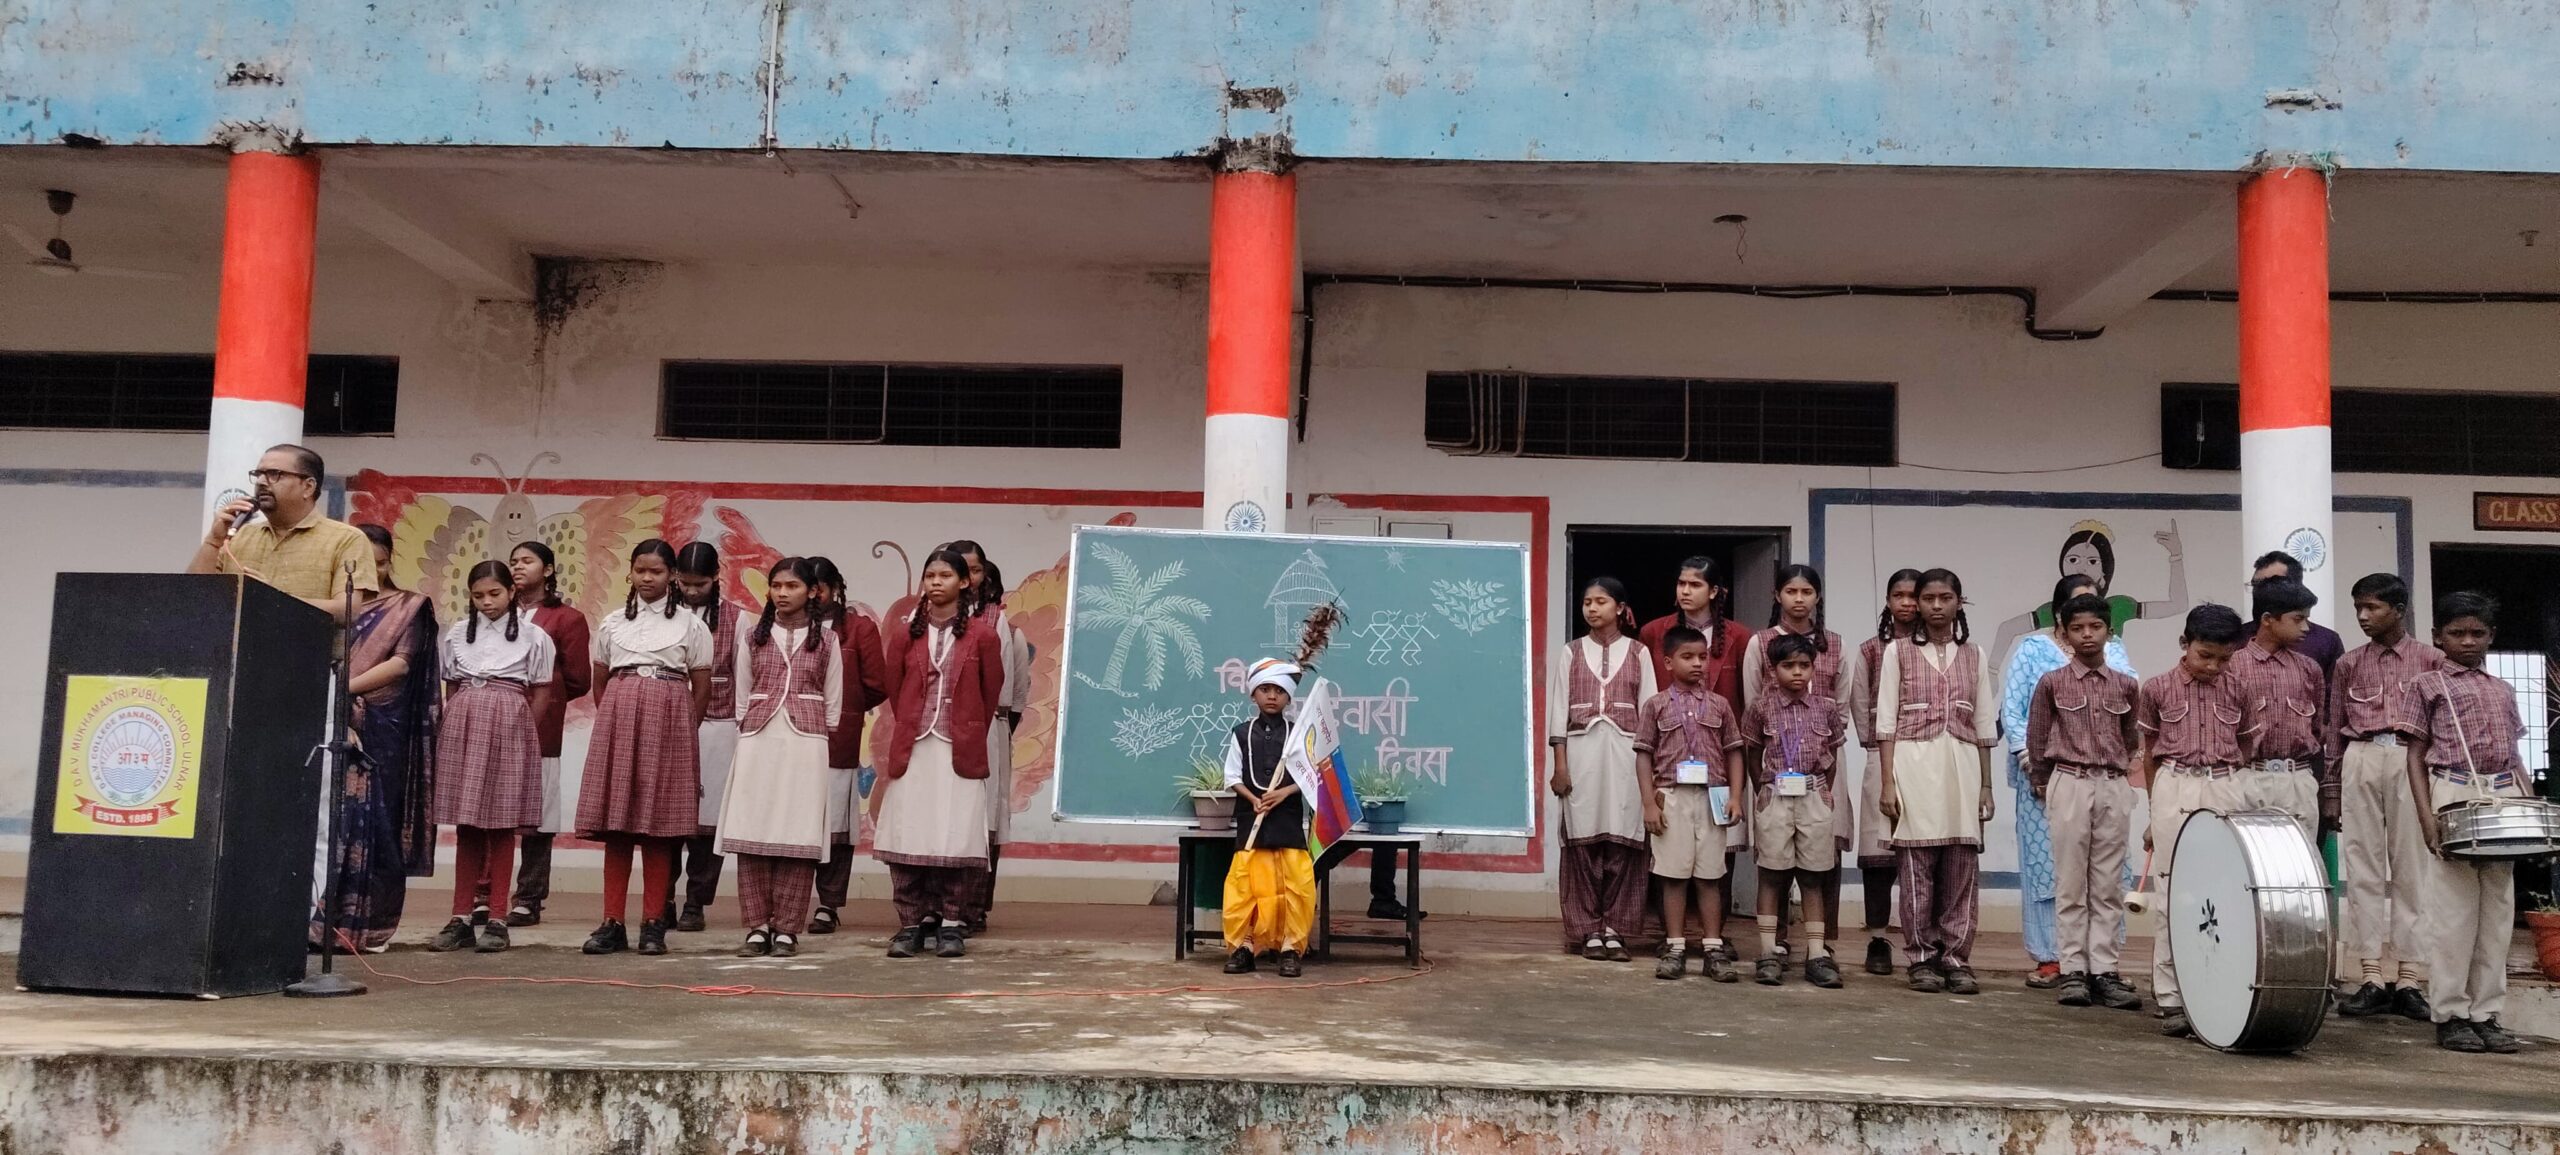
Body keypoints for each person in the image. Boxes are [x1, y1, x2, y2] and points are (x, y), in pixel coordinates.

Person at [576, 539, 716, 957]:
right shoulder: (613, 622)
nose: (647, 578)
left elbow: (701, 687)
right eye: (640, 570)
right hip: (620, 723)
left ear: (672, 575)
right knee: (617, 827)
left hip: (669, 724)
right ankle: (612, 922)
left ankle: (654, 923)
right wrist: (616, 722)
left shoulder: (691, 626)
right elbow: (601, 680)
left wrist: (682, 732)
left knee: (659, 828)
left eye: (656, 571)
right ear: (631, 573)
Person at [1997, 573, 2138, 989]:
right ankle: (2054, 959)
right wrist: (2035, 766)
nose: (2087, 626)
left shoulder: (2116, 654)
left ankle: (2103, 965)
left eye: (2096, 615)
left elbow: (2130, 723)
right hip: (2049, 777)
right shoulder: (2034, 651)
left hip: (2106, 779)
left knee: (2106, 876)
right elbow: (2016, 713)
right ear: (2061, 615)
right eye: (2077, 614)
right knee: (2054, 873)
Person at [2403, 591, 2527, 1054]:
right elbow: (2414, 755)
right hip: (2453, 792)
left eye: (2478, 633)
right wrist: (2426, 816)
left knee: (2497, 912)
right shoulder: (2427, 685)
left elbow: (2514, 756)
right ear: (2438, 637)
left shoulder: (2503, 689)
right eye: (2457, 633)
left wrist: (2528, 809)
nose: (2468, 641)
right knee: (2454, 913)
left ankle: (2486, 1013)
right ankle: (2451, 1013)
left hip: (2503, 794)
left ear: (2492, 636)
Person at [309, 524, 439, 954]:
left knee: (379, 823)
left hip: (383, 727)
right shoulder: (331, 608)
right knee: (325, 821)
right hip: (324, 719)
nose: (373, 572)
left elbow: (402, 664)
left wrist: (342, 690)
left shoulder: (408, 607)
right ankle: (314, 921)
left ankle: (370, 928)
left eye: (379, 564)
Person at [873, 548, 1006, 960]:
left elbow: (990, 691)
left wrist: (965, 726)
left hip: (958, 750)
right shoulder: (906, 633)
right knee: (910, 831)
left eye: (945, 575)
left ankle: (951, 923)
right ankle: (911, 923)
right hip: (914, 747)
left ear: (965, 582)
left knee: (956, 834)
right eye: (930, 575)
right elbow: (894, 686)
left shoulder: (983, 635)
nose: (935, 582)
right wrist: (915, 721)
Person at [1875, 568, 1998, 995]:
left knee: (1961, 866)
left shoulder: (1975, 655)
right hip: (1913, 767)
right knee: (1916, 868)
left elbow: (1984, 724)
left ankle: (1956, 958)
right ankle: (1921, 957)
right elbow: (1885, 722)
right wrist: (1888, 784)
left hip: (1963, 769)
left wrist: (1987, 786)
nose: (1936, 606)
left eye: (1945, 598)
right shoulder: (1898, 652)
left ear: (1959, 602)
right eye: (1928, 598)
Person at [2137, 603, 2254, 1040]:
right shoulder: (2157, 688)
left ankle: (2214, 988)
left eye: (2224, 658)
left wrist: (2227, 781)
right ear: (2184, 643)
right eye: (2205, 655)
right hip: (2175, 785)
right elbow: (2150, 754)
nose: (2213, 666)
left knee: (2224, 889)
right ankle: (2171, 995)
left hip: (2224, 784)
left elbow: (2246, 745)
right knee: (2172, 890)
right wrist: (2156, 809)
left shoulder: (2239, 688)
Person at [428, 561, 556, 955]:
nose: (487, 602)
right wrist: (456, 722)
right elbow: (452, 686)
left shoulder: (533, 637)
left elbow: (542, 691)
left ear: (512, 592)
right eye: (478, 595)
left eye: (495, 593)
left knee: (502, 825)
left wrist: (522, 731)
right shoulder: (457, 634)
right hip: (464, 724)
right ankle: (461, 917)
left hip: (510, 725)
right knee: (466, 824)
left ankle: (498, 917)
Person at [718, 557, 842, 959]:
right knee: (754, 829)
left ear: (812, 592)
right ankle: (757, 926)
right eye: (776, 586)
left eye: (792, 586)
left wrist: (813, 728)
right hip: (758, 739)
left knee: (797, 833)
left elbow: (833, 701)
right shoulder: (753, 637)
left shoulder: (828, 640)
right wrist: (752, 725)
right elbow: (742, 696)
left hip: (806, 743)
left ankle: (787, 928)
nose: (783, 593)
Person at [2331, 572, 2440, 1020]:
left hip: (2412, 759)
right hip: (2361, 755)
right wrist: (2332, 791)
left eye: (2372, 607)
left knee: (2413, 867)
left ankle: (2410, 978)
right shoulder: (2348, 664)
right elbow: (2332, 729)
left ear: (2399, 610)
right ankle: (2371, 975)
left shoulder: (2432, 660)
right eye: (2358, 607)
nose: (2363, 616)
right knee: (2363, 866)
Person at [1740, 564, 1847, 962]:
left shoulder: (1830, 678)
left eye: (1807, 591)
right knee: (1771, 871)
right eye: (1791, 591)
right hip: (1774, 787)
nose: (1799, 598)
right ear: (1777, 595)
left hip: (1815, 784)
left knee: (1817, 872)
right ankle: (1771, 948)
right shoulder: (1761, 654)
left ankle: (1818, 951)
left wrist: (1823, 791)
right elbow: (1752, 743)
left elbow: (1836, 739)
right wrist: (1763, 788)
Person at [1547, 576, 1656, 961]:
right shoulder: (1571, 652)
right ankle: (1588, 930)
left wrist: (1650, 776)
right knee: (1583, 841)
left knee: (1624, 841)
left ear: (1620, 609)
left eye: (1601, 602)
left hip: (1628, 758)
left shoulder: (1639, 653)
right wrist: (1560, 767)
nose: (1592, 608)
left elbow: (1650, 713)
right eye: (1587, 602)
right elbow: (1559, 712)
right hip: (1581, 757)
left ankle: (1616, 930)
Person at [1637, 626, 1747, 982]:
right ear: (1668, 662)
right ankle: (1675, 946)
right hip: (1671, 797)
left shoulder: (1720, 705)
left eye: (1703, 657)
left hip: (1712, 797)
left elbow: (1734, 751)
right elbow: (1643, 755)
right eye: (1688, 657)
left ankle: (1713, 948)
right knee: (1673, 876)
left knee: (1710, 875)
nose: (1698, 663)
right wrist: (1649, 804)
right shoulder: (1655, 705)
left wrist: (1735, 796)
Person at [500, 541, 592, 929]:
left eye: (528, 561)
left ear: (549, 570)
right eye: (513, 561)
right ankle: (484, 895)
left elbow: (579, 680)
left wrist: (544, 697)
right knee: (491, 808)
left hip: (541, 724)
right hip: (494, 721)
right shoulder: (495, 614)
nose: (518, 567)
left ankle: (528, 898)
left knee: (539, 812)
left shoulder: (566, 618)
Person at [944, 541, 1028, 936]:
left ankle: (971, 908)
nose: (967, 577)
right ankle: (935, 909)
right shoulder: (923, 621)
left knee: (982, 817)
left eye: (974, 570)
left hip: (985, 728)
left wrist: (991, 731)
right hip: (935, 733)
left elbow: (1010, 694)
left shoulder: (998, 623)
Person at [188, 443, 377, 614]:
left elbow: (346, 611)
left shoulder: (346, 539)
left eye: (274, 474)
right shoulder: (239, 535)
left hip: (304, 642)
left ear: (308, 487)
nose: (261, 481)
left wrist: (274, 598)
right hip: (233, 642)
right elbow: (193, 596)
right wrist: (213, 541)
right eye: (258, 474)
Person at [1843, 568, 1922, 976]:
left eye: (1913, 595)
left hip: (1927, 758)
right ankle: (1878, 939)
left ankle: (1923, 940)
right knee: (1879, 858)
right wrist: (1874, 745)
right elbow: (1859, 700)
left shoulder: (1937, 649)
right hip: (1882, 755)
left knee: (1922, 852)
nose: (1906, 603)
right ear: (1888, 601)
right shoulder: (1871, 650)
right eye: (1898, 595)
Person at [1220, 658, 1317, 977]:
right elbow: (1232, 776)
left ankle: (1290, 948)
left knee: (1295, 888)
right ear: (1253, 695)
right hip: (1253, 822)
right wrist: (1253, 799)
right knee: (1247, 889)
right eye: (1265, 690)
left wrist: (1284, 792)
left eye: (1279, 691)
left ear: (1288, 697)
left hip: (1287, 822)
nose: (1272, 696)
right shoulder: (1240, 733)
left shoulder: (1298, 734)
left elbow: (1311, 775)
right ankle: (1245, 948)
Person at [1985, 519, 2188, 670]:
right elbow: (2007, 628)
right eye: (2073, 559)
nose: (2081, 567)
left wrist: (2176, 556)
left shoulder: (2119, 606)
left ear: (2104, 571)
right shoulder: (2053, 610)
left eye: (2092, 561)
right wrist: (1992, 672)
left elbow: (2178, 605)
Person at [809, 556, 889, 934]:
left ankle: (828, 904)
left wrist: (846, 706)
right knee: (797, 823)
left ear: (836, 588)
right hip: (791, 740)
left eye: (819, 589)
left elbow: (876, 685)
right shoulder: (782, 627)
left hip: (838, 738)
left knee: (836, 828)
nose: (813, 596)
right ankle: (791, 900)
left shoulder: (858, 629)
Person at [670, 541, 737, 933]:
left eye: (701, 584)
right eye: (685, 583)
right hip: (668, 725)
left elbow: (744, 678)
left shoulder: (737, 619)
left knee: (708, 821)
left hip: (719, 727)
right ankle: (662, 899)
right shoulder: (663, 614)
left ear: (716, 577)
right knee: (666, 817)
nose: (692, 591)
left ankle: (695, 902)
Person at [2235, 578, 2330, 842]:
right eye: (2298, 619)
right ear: (2268, 619)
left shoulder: (2310, 669)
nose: (2306, 627)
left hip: (2297, 779)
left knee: (2300, 860)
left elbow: (2316, 729)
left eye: (2307, 619)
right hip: (2248, 777)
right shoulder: (2232, 666)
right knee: (2250, 858)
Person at [1638, 556, 1753, 717]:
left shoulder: (1740, 636)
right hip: (1668, 726)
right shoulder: (1653, 632)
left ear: (1713, 591)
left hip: (1721, 727)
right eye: (1681, 583)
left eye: (1695, 585)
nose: (1685, 591)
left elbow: (1746, 697)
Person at [2249, 551, 2345, 680]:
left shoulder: (2326, 641)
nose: (2260, 591)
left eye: (2274, 583)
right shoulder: (2237, 637)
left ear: (2296, 585)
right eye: (2256, 584)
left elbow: (2333, 691)